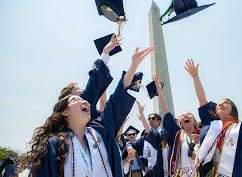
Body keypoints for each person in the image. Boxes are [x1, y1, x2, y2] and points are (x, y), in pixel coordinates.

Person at [20, 46, 155, 177]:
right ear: (65, 111)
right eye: (76, 99)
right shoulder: (54, 146)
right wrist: (105, 55)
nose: (85, 101)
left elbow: (116, 102)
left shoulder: (100, 132)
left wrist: (133, 65)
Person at [184, 59, 242, 177]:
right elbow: (202, 98)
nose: (220, 104)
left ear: (233, 108)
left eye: (225, 102)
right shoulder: (212, 125)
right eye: (218, 104)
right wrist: (195, 76)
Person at [58, 34, 122, 120]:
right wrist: (106, 51)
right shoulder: (84, 103)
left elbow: (100, 99)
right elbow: (94, 82)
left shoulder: (90, 114)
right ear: (69, 98)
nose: (82, 90)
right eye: (77, 90)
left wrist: (103, 76)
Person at [152, 75, 200, 176]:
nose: (185, 115)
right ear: (180, 124)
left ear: (195, 121)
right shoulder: (176, 135)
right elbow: (166, 111)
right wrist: (159, 90)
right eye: (183, 115)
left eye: (188, 114)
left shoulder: (203, 135)